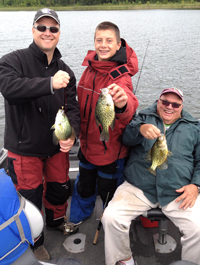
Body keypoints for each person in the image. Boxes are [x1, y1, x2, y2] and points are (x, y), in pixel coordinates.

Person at [0, 8, 80, 261]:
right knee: (29, 199)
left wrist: (72, 134)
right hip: (25, 150)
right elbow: (10, 88)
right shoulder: (12, 60)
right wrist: (48, 84)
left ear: (58, 33)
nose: (48, 32)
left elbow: (73, 108)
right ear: (33, 30)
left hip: (56, 149)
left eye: (53, 28)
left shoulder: (66, 70)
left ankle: (57, 222)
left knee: (59, 189)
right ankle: (35, 241)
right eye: (42, 27)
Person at [101, 87, 200, 265]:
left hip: (178, 191)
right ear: (158, 102)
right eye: (165, 102)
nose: (169, 106)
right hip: (139, 187)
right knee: (111, 217)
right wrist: (140, 129)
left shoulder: (194, 127)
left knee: (198, 227)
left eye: (175, 104)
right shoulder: (143, 117)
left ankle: (191, 263)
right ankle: (124, 259)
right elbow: (126, 139)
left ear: (182, 106)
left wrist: (196, 185)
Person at [69, 21, 139, 224]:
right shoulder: (89, 69)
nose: (103, 45)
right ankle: (78, 216)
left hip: (110, 150)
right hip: (87, 146)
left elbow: (130, 106)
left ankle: (110, 222)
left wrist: (123, 104)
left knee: (110, 190)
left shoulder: (121, 77)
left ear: (119, 45)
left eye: (109, 40)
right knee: (84, 185)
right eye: (99, 40)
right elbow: (81, 105)